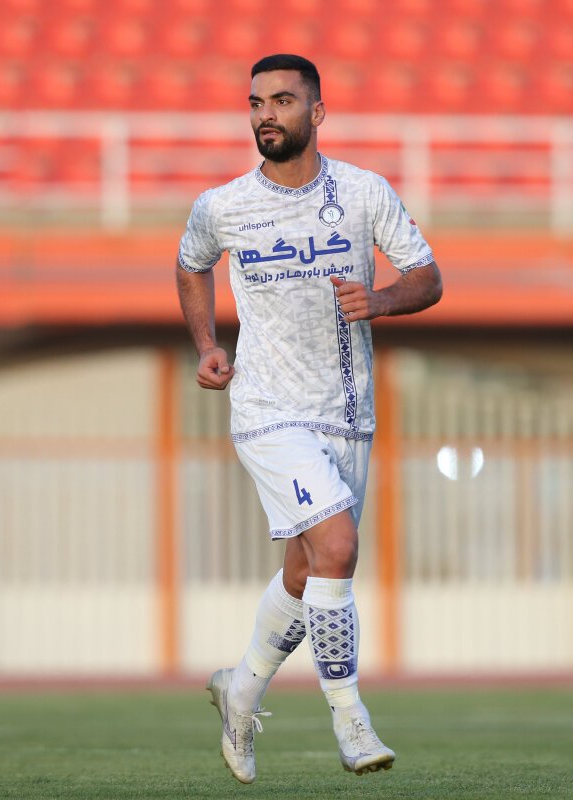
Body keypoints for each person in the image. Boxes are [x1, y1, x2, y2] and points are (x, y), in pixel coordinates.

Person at [176, 54, 443, 784]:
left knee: (308, 569)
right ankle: (350, 718)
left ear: (317, 113)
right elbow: (191, 262)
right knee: (339, 546)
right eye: (256, 102)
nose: (266, 114)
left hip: (348, 413)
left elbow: (428, 277)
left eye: (283, 101)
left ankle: (240, 690)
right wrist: (207, 345)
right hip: (267, 410)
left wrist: (380, 301)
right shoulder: (223, 205)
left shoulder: (363, 192)